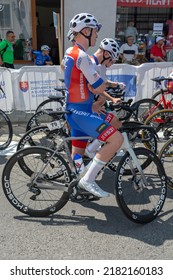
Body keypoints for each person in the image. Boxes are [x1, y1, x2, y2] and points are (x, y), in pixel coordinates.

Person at [64, 13, 124, 198]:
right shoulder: (82, 56)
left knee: (78, 155)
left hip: (74, 109)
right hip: (80, 112)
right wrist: (106, 87)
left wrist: (96, 86)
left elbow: (87, 83)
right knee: (117, 140)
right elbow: (98, 85)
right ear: (86, 31)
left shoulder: (70, 52)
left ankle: (77, 186)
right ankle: (87, 180)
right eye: (95, 32)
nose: (97, 36)